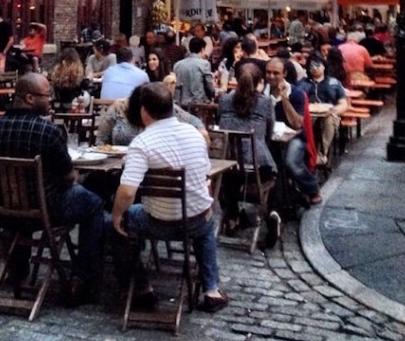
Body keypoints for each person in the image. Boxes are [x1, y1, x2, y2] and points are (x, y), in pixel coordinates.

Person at [0, 72, 105, 306]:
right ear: (29, 98)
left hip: (5, 213)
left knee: (24, 200)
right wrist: (75, 176)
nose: (50, 100)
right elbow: (68, 176)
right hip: (47, 211)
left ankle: (17, 270)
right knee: (94, 203)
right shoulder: (47, 131)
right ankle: (81, 277)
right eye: (46, 95)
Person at [111, 82, 228, 313]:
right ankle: (211, 289)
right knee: (206, 222)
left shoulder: (142, 144)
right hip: (197, 220)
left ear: (144, 110)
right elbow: (204, 174)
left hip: (158, 222)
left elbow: (126, 192)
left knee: (115, 226)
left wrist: (116, 216)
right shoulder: (195, 135)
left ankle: (142, 288)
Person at [217, 67, 278, 238]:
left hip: (228, 162)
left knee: (226, 179)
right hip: (257, 166)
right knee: (274, 172)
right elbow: (269, 133)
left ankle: (232, 216)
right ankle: (270, 213)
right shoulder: (266, 102)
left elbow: (219, 122)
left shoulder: (224, 99)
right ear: (259, 83)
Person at [265, 58, 321, 206]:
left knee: (291, 162)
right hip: (271, 136)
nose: (271, 76)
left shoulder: (296, 94)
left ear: (284, 73)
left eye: (275, 73)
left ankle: (312, 188)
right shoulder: (262, 92)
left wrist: (284, 99)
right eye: (268, 72)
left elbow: (297, 124)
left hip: (295, 136)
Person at [96, 83, 207, 147]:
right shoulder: (120, 107)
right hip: (116, 167)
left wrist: (202, 131)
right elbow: (101, 139)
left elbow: (193, 120)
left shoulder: (162, 106)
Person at [300, 52, 349, 168]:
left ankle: (322, 154)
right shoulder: (302, 84)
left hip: (329, 114)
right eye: (311, 66)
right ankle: (305, 152)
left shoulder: (334, 83)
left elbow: (343, 104)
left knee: (330, 120)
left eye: (318, 65)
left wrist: (333, 111)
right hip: (309, 115)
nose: (315, 68)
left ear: (324, 66)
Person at [173, 36, 214, 109]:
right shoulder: (204, 64)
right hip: (198, 104)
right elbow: (209, 87)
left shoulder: (177, 65)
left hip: (180, 103)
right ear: (202, 49)